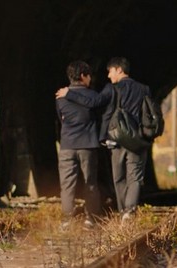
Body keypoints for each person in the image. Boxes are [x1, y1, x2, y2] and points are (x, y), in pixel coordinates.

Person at [56, 57, 150, 223]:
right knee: (133, 177)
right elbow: (149, 113)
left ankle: (121, 212)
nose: (108, 75)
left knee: (118, 178)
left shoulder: (110, 89)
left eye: (110, 71)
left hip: (115, 139)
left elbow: (93, 103)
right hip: (135, 140)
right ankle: (127, 211)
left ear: (119, 70)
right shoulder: (144, 89)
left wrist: (69, 94)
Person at [56, 60, 101, 229]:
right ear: (83, 76)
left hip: (67, 144)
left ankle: (67, 220)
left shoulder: (60, 97)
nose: (90, 79)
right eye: (89, 76)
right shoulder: (94, 96)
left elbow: (61, 119)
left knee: (66, 184)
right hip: (88, 145)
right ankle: (90, 219)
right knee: (90, 182)